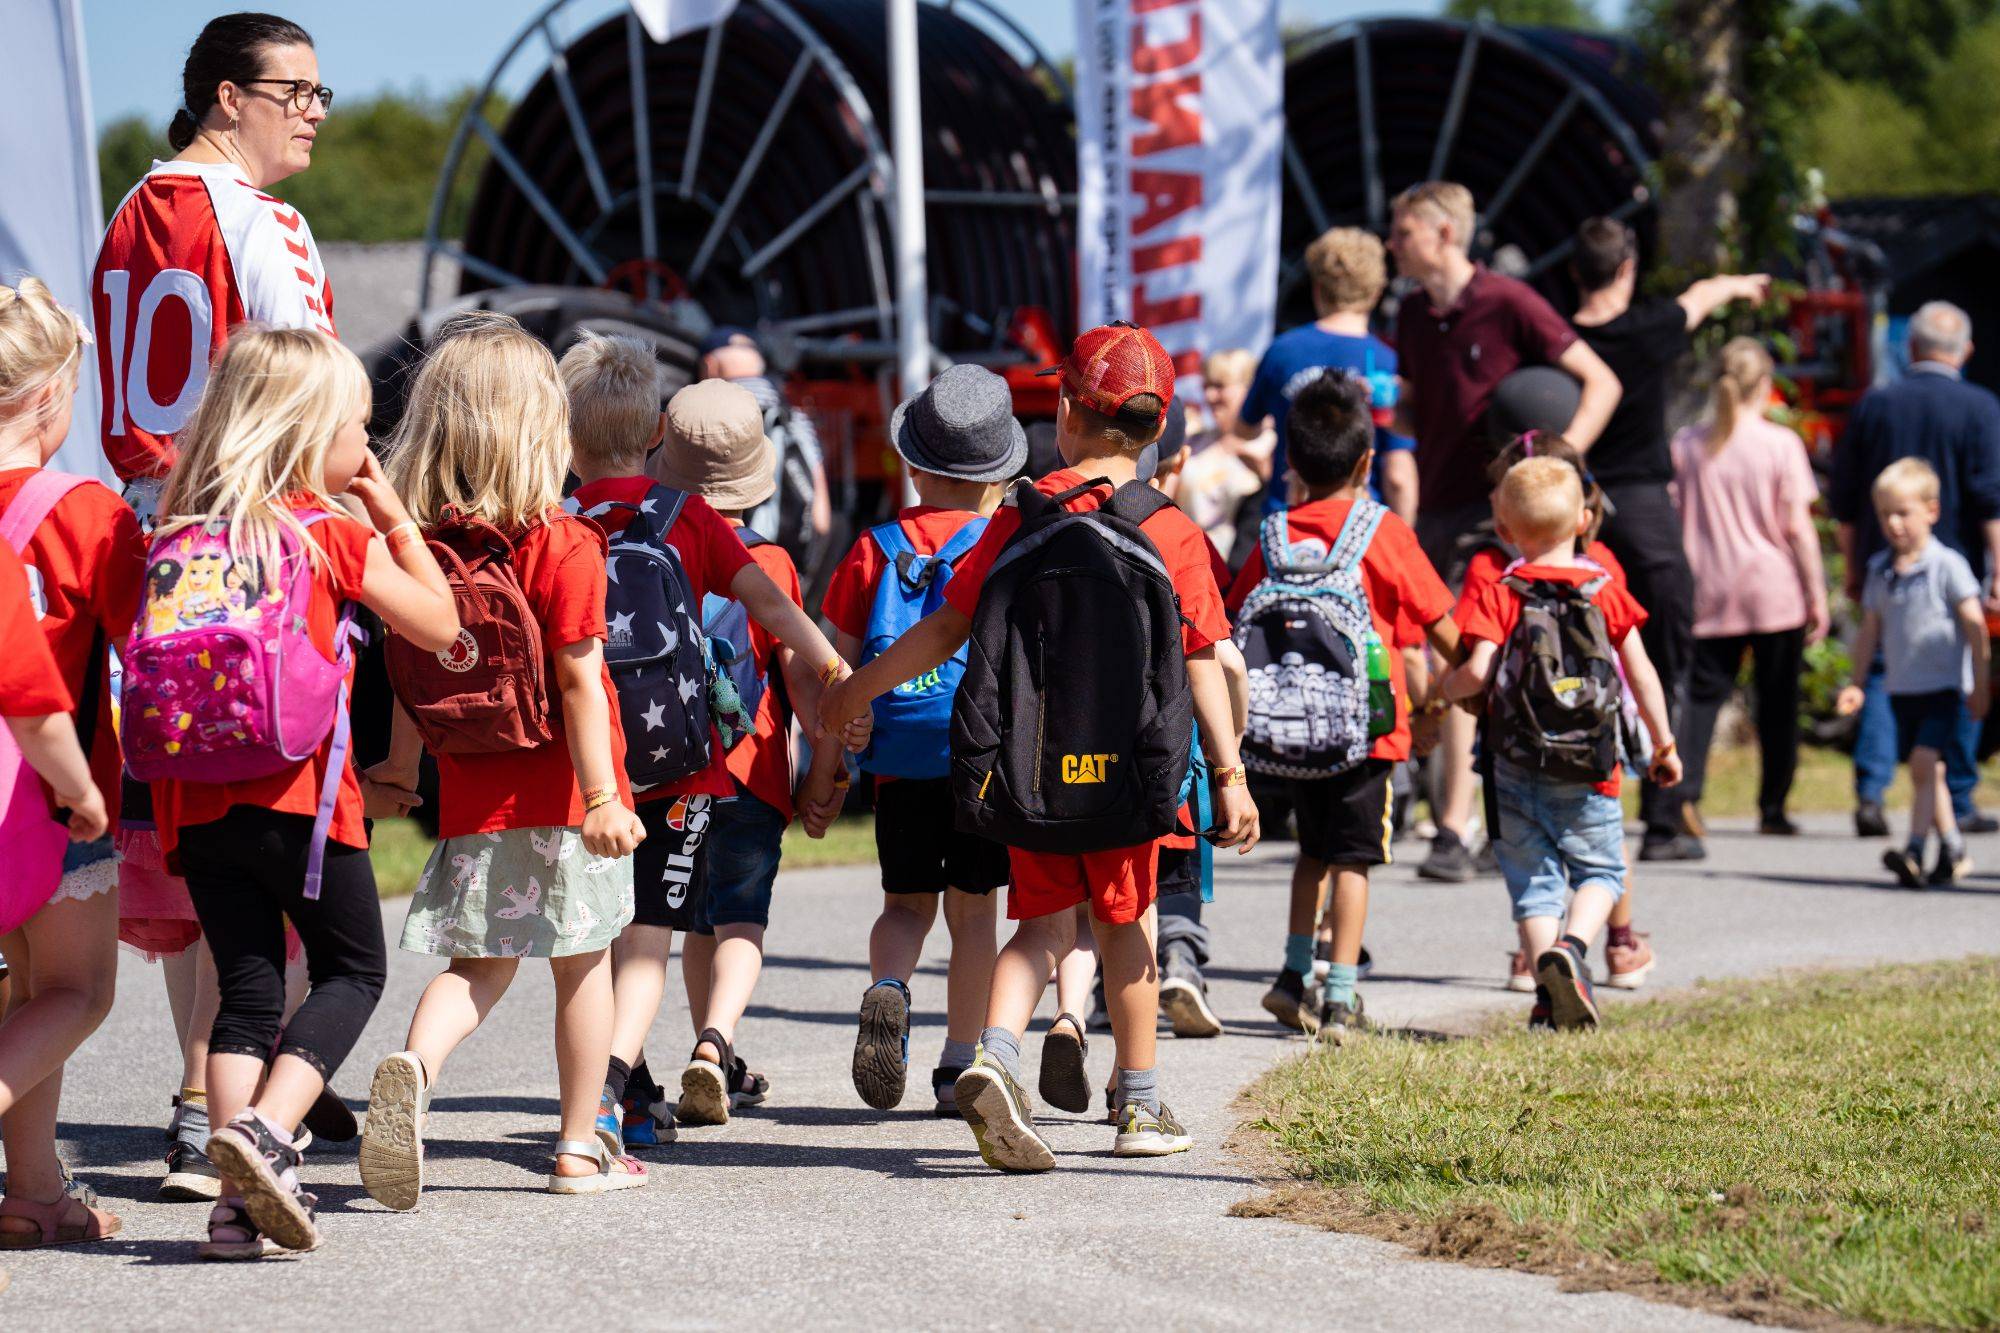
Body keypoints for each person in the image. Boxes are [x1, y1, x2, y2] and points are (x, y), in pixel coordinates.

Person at [819, 323, 1259, 1171]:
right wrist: (1230, 775)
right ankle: (1138, 1106)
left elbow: (949, 624)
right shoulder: (1172, 531)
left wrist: (858, 688)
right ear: (1157, 431)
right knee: (1125, 932)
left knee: (1036, 930)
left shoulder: (1023, 513)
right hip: (1133, 776)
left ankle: (994, 1058)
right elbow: (1205, 659)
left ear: (1062, 415)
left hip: (1029, 769)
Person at [142, 326, 456, 1258]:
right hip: (299, 798)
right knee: (352, 968)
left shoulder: (175, 529)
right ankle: (270, 1132)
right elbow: (438, 624)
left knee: (243, 990)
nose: (365, 445)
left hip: (192, 803)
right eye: (357, 428)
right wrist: (391, 511)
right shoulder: (325, 532)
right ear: (308, 431)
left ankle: (234, 1208)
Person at [92, 12, 342, 1182]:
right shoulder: (263, 225)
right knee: (280, 815)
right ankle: (231, 1098)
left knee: (194, 833)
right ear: (226, 98)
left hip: (153, 543)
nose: (313, 112)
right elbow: (320, 404)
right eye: (294, 91)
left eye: (319, 93)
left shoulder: (122, 219)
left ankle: (210, 1094)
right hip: (261, 550)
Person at [357, 316, 648, 1213]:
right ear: (543, 432)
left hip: (474, 798)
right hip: (567, 799)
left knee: (476, 968)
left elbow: (410, 673)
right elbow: (577, 678)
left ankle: (413, 1066)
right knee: (583, 965)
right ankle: (575, 1145)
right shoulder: (564, 543)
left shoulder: (423, 553)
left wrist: (400, 771)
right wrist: (602, 793)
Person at [566, 369, 854, 1132]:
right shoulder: (734, 543)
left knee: (638, 925)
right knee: (734, 921)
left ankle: (627, 1082)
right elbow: (792, 666)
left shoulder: (581, 525)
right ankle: (714, 1040)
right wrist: (827, 747)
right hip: (734, 771)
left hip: (613, 760)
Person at [1386, 182, 1622, 883]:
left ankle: (1455, 827)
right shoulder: (1409, 313)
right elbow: (1410, 407)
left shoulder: (1510, 302)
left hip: (1502, 515)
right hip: (1438, 508)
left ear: (1444, 234)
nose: (1393, 243)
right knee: (1456, 662)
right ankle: (1485, 817)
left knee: (1471, 653)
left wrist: (1557, 469)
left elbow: (1600, 381)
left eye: (1404, 232)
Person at [1226, 374, 1458, 1041]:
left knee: (1311, 854)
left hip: (1286, 738)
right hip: (1366, 737)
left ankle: (1293, 975)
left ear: (1290, 464)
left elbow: (1238, 616)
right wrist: (1445, 691)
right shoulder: (1382, 533)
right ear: (1366, 462)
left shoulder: (1271, 533)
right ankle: (1341, 996)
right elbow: (1442, 626)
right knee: (1353, 860)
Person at [814, 364, 1017, 1117]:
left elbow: (837, 668)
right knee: (973, 913)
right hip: (980, 757)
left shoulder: (874, 546)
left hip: (896, 755)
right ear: (998, 474)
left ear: (913, 462)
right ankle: (957, 1065)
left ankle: (889, 988)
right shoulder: (1002, 543)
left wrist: (827, 771)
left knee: (905, 904)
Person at [1444, 456, 1681, 1030]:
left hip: (1514, 760)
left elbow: (1476, 673)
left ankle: (1547, 1000)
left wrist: (1441, 693)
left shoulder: (1502, 592)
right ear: (1584, 519)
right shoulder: (1606, 590)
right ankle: (1572, 949)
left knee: (1533, 881)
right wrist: (1664, 742)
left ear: (1504, 532)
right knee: (1603, 871)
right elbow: (1642, 675)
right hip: (1591, 763)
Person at [1569, 216, 1771, 860]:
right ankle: (1664, 818)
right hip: (1644, 508)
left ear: (1577, 272)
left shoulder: (1560, 338)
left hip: (1576, 508)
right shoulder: (1650, 328)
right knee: (1667, 652)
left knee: (1566, 653)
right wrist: (1741, 284)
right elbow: (1704, 294)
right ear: (1627, 268)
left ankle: (1560, 803)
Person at [0, 280, 119, 1258]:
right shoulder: (83, 512)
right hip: (53, 796)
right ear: (48, 396)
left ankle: (35, 1192)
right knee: (78, 992)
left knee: (26, 996)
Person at [1828, 301, 2000, 838]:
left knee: (1880, 669)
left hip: (1886, 568)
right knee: (1957, 671)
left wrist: (1853, 567)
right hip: (1957, 568)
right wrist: (1998, 570)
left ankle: (1872, 791)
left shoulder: (1876, 405)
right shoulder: (1980, 407)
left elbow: (1846, 499)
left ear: (1911, 348)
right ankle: (1960, 793)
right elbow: (1990, 498)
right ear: (1965, 351)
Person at [1675, 338, 1831, 843]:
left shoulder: (1687, 445)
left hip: (1711, 586)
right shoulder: (1780, 444)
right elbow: (1798, 528)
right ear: (1764, 385)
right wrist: (1818, 593)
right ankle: (1773, 806)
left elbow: (1675, 517)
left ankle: (1685, 795)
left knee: (1700, 701)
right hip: (1772, 589)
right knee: (1778, 702)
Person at [1836, 459, 1992, 886]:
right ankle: (1955, 848)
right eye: (1885, 514)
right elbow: (1870, 630)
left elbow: (1974, 625)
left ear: (1931, 511)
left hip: (1944, 687)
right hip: (1902, 688)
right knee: (1929, 773)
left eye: (1903, 513)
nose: (1893, 524)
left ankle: (1915, 849)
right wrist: (1856, 682)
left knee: (1925, 763)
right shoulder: (1880, 571)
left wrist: (1980, 684)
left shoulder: (1947, 566)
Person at [1237, 228, 1416, 522]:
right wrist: (1404, 538)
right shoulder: (1387, 361)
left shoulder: (1283, 351)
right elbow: (1399, 473)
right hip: (1359, 527)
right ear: (1375, 292)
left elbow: (1244, 428)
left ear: (1318, 288)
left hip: (1286, 522)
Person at [699, 326, 833, 586]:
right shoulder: (797, 421)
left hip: (724, 575)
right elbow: (822, 521)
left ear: (710, 365)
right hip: (782, 574)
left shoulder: (707, 416)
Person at [1179, 349, 1271, 559]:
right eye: (1207, 386)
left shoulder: (1270, 444)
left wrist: (1267, 475)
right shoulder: (1193, 441)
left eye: (1219, 386)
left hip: (1245, 568)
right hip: (1192, 561)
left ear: (1249, 390)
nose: (1210, 396)